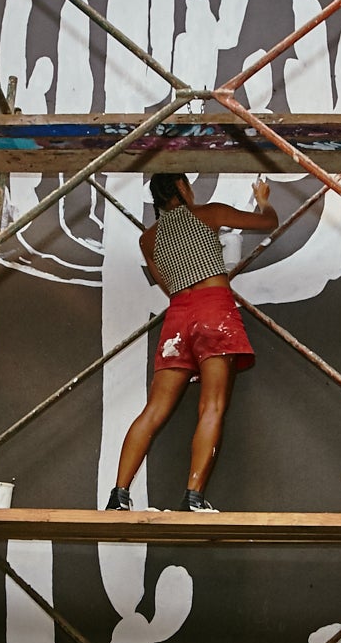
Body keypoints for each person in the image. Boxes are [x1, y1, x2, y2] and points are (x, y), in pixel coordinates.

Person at [106, 171, 277, 512]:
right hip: (213, 308)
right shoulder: (208, 213)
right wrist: (263, 199)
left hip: (178, 314)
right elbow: (267, 222)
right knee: (211, 406)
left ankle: (119, 496)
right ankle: (193, 498)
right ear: (182, 187)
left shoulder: (149, 239)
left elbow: (168, 285)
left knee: (153, 410)